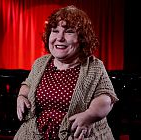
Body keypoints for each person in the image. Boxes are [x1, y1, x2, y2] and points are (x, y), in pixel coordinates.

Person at [14, 5, 119, 140]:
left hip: (79, 135)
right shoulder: (40, 63)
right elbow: (27, 85)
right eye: (55, 31)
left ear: (82, 38)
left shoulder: (94, 66)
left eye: (69, 32)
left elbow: (106, 98)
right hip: (35, 134)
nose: (60, 38)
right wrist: (21, 96)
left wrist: (89, 115)